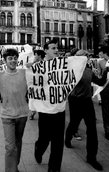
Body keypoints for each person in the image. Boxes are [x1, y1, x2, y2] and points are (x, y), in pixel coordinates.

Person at [65, 50, 107, 171]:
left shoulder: (89, 71)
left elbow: (100, 82)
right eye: (84, 57)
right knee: (74, 123)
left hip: (87, 102)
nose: (87, 58)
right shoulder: (71, 71)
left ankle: (91, 158)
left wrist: (107, 72)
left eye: (87, 57)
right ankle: (67, 138)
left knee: (92, 129)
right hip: (75, 101)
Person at [0, 48, 29, 172]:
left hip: (22, 115)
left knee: (18, 142)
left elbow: (40, 78)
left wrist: (34, 65)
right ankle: (11, 170)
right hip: (7, 116)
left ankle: (14, 166)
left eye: (15, 58)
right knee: (10, 147)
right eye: (10, 58)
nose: (13, 60)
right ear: (5, 61)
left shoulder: (25, 73)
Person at [34, 39, 65, 172]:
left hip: (59, 108)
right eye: (53, 48)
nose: (56, 50)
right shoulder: (39, 66)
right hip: (45, 110)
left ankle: (54, 169)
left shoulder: (63, 65)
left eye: (57, 48)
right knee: (44, 139)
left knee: (58, 142)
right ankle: (38, 149)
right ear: (45, 50)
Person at [29, 49, 45, 120]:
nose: (34, 56)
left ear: (39, 56)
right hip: (35, 86)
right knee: (33, 101)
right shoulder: (34, 64)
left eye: (35, 55)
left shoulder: (45, 64)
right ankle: (33, 113)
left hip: (42, 86)